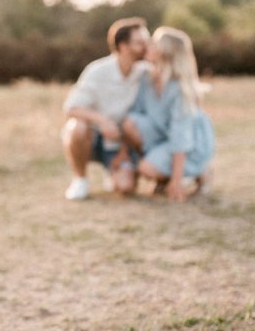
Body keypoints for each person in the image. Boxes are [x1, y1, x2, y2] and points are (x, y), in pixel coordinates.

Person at [117, 27, 215, 201]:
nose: (148, 45)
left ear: (165, 53)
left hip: (189, 143)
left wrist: (176, 182)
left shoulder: (179, 89)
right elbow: (135, 113)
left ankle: (200, 171)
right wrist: (123, 153)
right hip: (162, 136)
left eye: (153, 43)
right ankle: (163, 175)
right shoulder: (147, 78)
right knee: (129, 122)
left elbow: (181, 136)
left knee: (147, 168)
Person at [61, 17, 151, 200]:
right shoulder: (97, 71)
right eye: (140, 43)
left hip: (120, 142)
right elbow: (71, 108)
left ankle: (116, 171)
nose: (146, 46)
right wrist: (102, 121)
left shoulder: (144, 72)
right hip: (93, 137)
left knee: (126, 188)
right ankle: (80, 179)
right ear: (124, 47)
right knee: (77, 126)